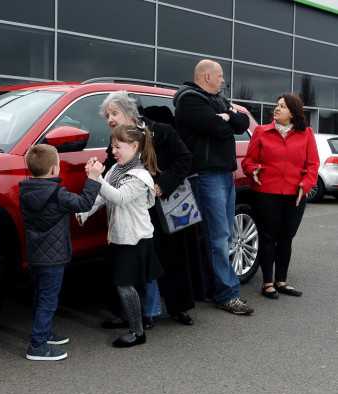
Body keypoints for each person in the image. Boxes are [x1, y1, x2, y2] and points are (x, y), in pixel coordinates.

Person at [99, 91, 195, 327]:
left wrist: (163, 185)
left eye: (114, 113)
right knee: (137, 260)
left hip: (165, 204)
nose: (110, 119)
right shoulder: (115, 139)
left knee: (172, 258)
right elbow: (112, 171)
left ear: (130, 112)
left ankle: (177, 307)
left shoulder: (162, 131)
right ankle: (140, 314)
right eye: (107, 115)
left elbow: (185, 159)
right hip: (134, 209)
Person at [173, 59, 254, 315]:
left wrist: (229, 114)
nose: (223, 81)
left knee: (225, 235)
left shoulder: (219, 99)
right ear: (207, 76)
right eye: (220, 76)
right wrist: (228, 119)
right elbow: (219, 129)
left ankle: (215, 287)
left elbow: (242, 125)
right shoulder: (189, 100)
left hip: (224, 175)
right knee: (218, 238)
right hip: (206, 176)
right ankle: (227, 294)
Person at [78, 125, 162, 348]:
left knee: (125, 284)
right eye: (112, 146)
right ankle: (128, 318)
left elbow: (119, 197)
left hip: (135, 238)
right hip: (119, 236)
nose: (113, 150)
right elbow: (103, 197)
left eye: (118, 146)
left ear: (134, 146)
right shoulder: (116, 168)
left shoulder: (140, 175)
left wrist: (97, 179)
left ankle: (137, 331)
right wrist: (84, 213)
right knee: (123, 282)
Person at [19, 144, 102, 361]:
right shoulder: (58, 194)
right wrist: (93, 178)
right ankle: (37, 345)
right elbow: (84, 203)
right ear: (55, 169)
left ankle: (44, 333)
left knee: (40, 295)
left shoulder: (25, 191)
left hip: (35, 254)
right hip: (54, 257)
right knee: (49, 299)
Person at [241, 94, 319, 299]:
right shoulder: (261, 132)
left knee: (286, 238)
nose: (276, 109)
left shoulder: (306, 134)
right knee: (268, 237)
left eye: (282, 106)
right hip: (267, 193)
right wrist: (254, 170)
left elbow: (312, 164)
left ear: (292, 113)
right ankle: (267, 283)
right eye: (276, 106)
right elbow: (248, 161)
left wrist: (306, 184)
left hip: (295, 194)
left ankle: (281, 281)